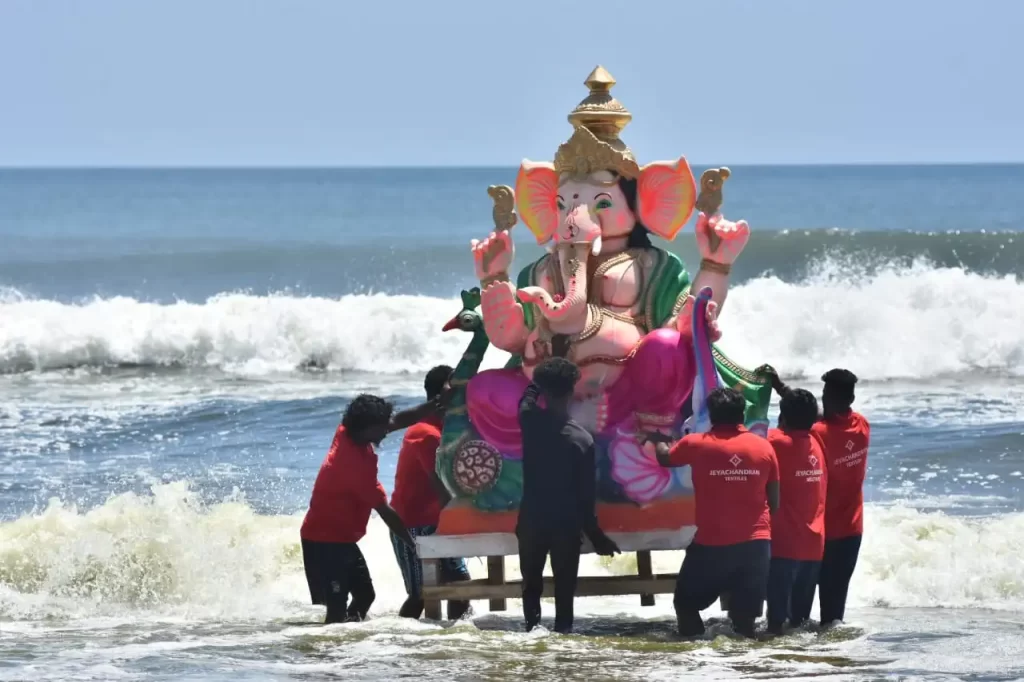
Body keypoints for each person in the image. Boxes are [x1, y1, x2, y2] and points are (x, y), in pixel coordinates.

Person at [647, 387, 779, 639]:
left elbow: (665, 458)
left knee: (685, 604)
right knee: (744, 624)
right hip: (756, 545)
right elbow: (774, 502)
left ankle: (696, 653)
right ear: (741, 414)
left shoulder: (696, 443)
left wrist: (658, 438)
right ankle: (748, 662)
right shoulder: (764, 447)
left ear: (711, 415)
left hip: (713, 545)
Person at [300, 392, 442, 624]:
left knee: (366, 595)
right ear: (366, 428)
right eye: (382, 426)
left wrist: (434, 404)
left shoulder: (348, 431)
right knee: (336, 607)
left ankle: (349, 640)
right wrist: (413, 545)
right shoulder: (351, 466)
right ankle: (329, 645)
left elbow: (398, 420)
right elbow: (386, 513)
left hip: (342, 539)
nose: (387, 430)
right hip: (322, 542)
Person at [517, 357, 620, 634]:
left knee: (531, 585)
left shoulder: (530, 421)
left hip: (532, 520)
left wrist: (537, 380)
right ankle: (563, 637)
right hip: (566, 525)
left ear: (544, 390)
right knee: (564, 589)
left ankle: (531, 632)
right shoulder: (581, 440)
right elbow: (586, 497)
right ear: (572, 391)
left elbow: (526, 400)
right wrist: (596, 536)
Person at [390, 365, 471, 620]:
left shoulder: (446, 430)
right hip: (412, 526)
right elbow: (442, 488)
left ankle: (454, 639)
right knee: (420, 595)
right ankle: (396, 638)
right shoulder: (425, 433)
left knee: (461, 587)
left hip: (437, 520)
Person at [764, 385, 827, 634]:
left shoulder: (774, 442)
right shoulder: (817, 441)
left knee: (775, 626)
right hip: (813, 545)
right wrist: (782, 389)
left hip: (784, 546)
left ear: (783, 417)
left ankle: (774, 657)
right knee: (799, 625)